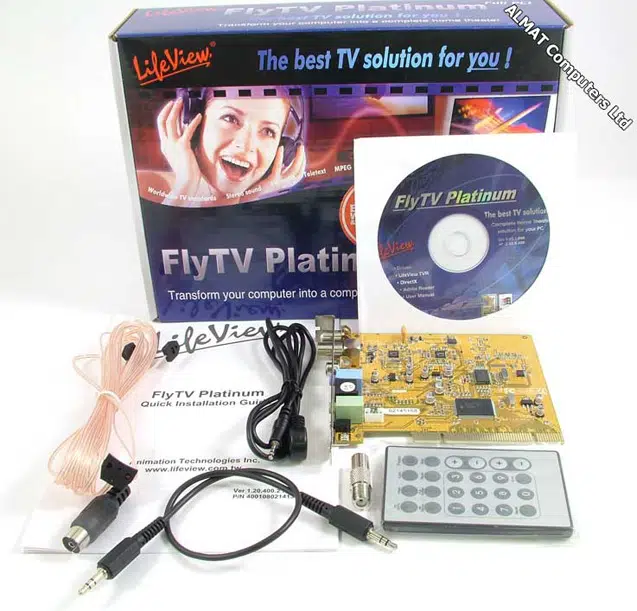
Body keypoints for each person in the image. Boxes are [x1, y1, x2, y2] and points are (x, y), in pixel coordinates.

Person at [151, 93, 306, 207]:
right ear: (194, 124)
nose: (245, 145)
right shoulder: (148, 185)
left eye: (268, 131)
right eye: (230, 119)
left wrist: (249, 200)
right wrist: (185, 186)